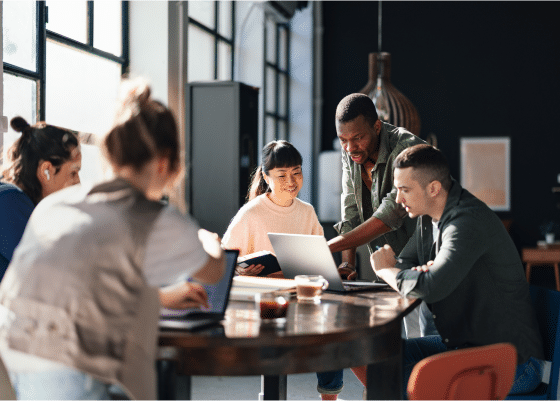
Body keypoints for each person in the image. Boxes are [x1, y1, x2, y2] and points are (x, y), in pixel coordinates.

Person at [0, 79, 225, 400]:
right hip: (70, 373)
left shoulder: (55, 205)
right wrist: (207, 240)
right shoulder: (153, 216)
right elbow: (213, 272)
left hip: (15, 366)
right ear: (166, 163)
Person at [371, 144, 544, 397]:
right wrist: (417, 274)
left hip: (513, 362)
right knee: (379, 358)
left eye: (404, 190)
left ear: (433, 188)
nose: (398, 199)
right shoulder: (427, 218)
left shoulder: (467, 222)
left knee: (397, 382)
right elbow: (406, 264)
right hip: (464, 346)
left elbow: (428, 286)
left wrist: (386, 271)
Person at [316, 93, 429, 400]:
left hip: (427, 257)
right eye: (343, 139)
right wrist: (347, 263)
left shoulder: (408, 149)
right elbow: (351, 209)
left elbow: (389, 215)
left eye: (357, 138)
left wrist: (327, 247)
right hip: (388, 261)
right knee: (390, 344)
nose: (350, 147)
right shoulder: (350, 152)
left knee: (428, 347)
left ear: (377, 127)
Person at [222, 140, 323, 276]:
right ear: (266, 177)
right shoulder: (251, 213)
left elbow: (320, 261)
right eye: (282, 175)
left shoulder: (307, 212)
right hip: (261, 292)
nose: (291, 181)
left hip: (298, 291)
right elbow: (224, 261)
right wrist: (239, 271)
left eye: (296, 172)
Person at [0, 116, 82, 280]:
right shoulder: (9, 201)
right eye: (73, 172)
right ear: (47, 170)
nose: (78, 183)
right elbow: (50, 274)